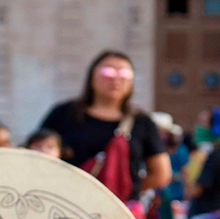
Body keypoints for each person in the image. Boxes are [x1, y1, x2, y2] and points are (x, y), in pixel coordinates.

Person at [39, 50, 171, 203]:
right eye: (108, 72)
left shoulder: (142, 121)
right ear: (91, 77)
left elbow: (161, 173)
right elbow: (37, 154)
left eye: (124, 74)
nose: (116, 79)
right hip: (67, 204)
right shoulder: (64, 113)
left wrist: (126, 189)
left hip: (117, 210)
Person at [184, 108, 220, 219]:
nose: (199, 128)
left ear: (216, 129)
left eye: (203, 123)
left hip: (209, 216)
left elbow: (195, 190)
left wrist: (186, 175)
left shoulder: (217, 155)